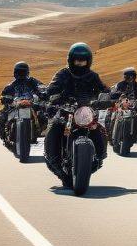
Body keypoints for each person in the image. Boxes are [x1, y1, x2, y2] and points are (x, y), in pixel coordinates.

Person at [44, 42, 109, 179]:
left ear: (88, 61)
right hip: (65, 110)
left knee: (98, 128)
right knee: (54, 127)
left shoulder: (93, 76)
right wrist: (50, 96)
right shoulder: (63, 74)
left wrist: (110, 97)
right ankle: (54, 160)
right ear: (71, 60)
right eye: (77, 61)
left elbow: (103, 89)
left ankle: (99, 156)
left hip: (86, 111)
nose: (80, 64)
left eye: (83, 61)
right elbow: (52, 88)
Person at [0, 61, 44, 144]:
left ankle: (37, 132)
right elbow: (5, 94)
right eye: (19, 72)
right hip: (16, 105)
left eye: (23, 72)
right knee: (2, 116)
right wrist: (5, 98)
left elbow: (41, 88)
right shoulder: (11, 85)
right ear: (15, 73)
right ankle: (4, 136)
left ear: (27, 72)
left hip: (31, 104)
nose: (21, 74)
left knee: (43, 115)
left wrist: (43, 93)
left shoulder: (32, 81)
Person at [110, 67, 137, 141]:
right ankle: (111, 133)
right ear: (125, 76)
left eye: (132, 76)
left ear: (134, 76)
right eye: (128, 76)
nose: (130, 78)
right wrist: (115, 95)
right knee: (113, 115)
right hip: (122, 103)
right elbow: (113, 92)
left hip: (133, 104)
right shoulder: (120, 84)